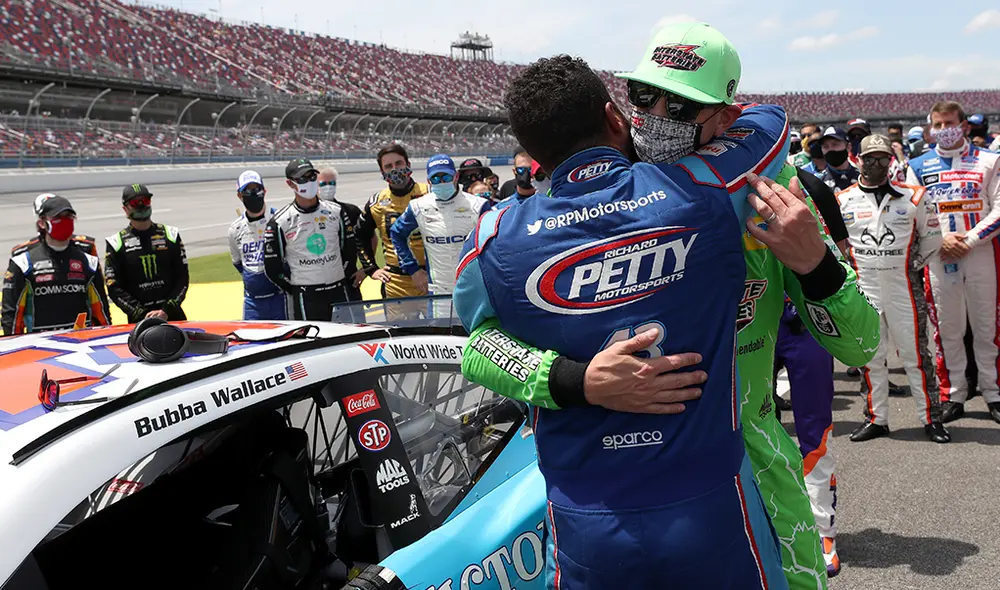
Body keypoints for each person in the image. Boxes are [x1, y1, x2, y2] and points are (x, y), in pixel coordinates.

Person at [462, 59, 878, 590]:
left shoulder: (775, 193)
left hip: (760, 485)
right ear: (617, 112)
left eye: (679, 105)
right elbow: (478, 343)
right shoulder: (525, 227)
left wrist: (814, 264)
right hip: (617, 502)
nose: (656, 116)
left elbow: (863, 343)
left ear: (727, 117)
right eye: (643, 96)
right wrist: (576, 378)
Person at [838, 134, 950, 442]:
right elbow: (837, 245)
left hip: (903, 285)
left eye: (883, 157)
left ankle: (932, 418)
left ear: (891, 160)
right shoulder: (843, 198)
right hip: (865, 288)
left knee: (916, 355)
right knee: (871, 356)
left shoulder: (914, 196)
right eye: (870, 158)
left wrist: (911, 265)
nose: (876, 163)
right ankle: (877, 418)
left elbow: (933, 240)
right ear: (857, 159)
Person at [907, 101, 1000, 425]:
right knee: (948, 329)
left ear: (963, 125)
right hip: (940, 257)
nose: (944, 129)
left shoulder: (990, 160)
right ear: (931, 128)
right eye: (938, 124)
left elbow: (999, 208)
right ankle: (954, 393)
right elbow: (911, 213)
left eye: (950, 123)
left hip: (981, 254)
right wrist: (939, 241)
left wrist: (971, 240)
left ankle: (993, 392)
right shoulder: (917, 165)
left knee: (987, 328)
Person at [390, 155, 489, 314]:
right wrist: (412, 269)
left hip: (474, 289)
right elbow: (396, 234)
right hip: (438, 293)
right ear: (429, 181)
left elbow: (495, 241)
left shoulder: (478, 205)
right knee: (441, 336)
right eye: (435, 178)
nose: (442, 181)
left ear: (455, 176)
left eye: (446, 176)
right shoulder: (418, 207)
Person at [2, 195, 110, 334]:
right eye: (58, 217)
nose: (64, 221)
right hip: (40, 345)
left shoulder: (89, 262)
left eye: (69, 217)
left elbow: (101, 312)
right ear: (42, 223)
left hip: (82, 342)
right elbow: (11, 315)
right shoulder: (22, 263)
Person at [263, 157, 350, 320]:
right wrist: (294, 287)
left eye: (311, 177)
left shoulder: (337, 212)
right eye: (302, 179)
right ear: (290, 184)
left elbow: (349, 250)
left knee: (346, 339)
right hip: (306, 297)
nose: (308, 182)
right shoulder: (280, 222)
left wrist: (340, 273)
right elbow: (272, 268)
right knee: (312, 341)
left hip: (338, 290)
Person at [105, 183, 189, 324]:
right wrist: (140, 313)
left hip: (172, 316)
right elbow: (114, 287)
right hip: (139, 320)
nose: (141, 205)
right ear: (125, 209)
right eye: (135, 202)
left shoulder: (170, 235)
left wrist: (166, 310)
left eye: (145, 201)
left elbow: (182, 277)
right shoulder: (116, 243)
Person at [355, 144, 429, 299]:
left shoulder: (430, 193)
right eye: (388, 166)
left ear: (408, 165)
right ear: (382, 172)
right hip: (396, 283)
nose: (395, 169)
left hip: (432, 278)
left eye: (399, 163)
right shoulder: (376, 203)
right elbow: (360, 236)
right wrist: (371, 268)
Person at [227, 171, 285, 320]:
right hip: (252, 302)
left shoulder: (280, 219)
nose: (253, 194)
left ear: (264, 191)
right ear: (239, 195)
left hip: (280, 298)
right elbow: (238, 263)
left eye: (256, 189)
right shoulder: (235, 229)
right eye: (247, 190)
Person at [318, 166, 368, 301]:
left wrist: (366, 268)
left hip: (349, 280)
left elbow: (370, 238)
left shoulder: (350, 211)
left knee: (355, 321)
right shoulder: (305, 215)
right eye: (323, 184)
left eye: (332, 183)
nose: (328, 187)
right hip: (318, 284)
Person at [10, 193, 99, 259]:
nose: (63, 221)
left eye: (67, 215)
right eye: (57, 216)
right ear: (41, 221)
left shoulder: (86, 246)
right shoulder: (22, 252)